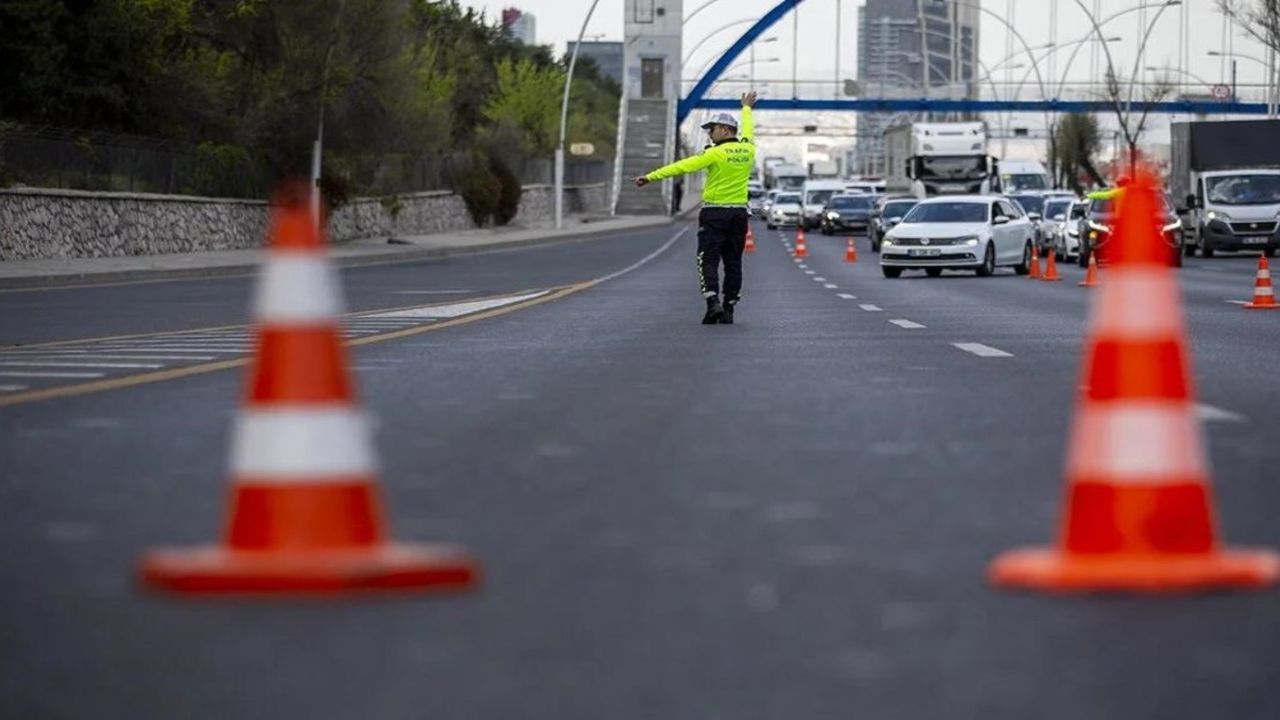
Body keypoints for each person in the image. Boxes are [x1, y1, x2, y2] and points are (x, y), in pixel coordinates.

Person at [635, 92, 758, 324]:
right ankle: (730, 307)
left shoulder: (714, 153)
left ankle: (713, 303)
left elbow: (682, 166)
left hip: (714, 214)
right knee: (733, 262)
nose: (709, 135)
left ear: (723, 129)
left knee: (707, 259)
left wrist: (650, 177)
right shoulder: (748, 150)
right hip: (739, 214)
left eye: (712, 130)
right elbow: (749, 131)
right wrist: (746, 108)